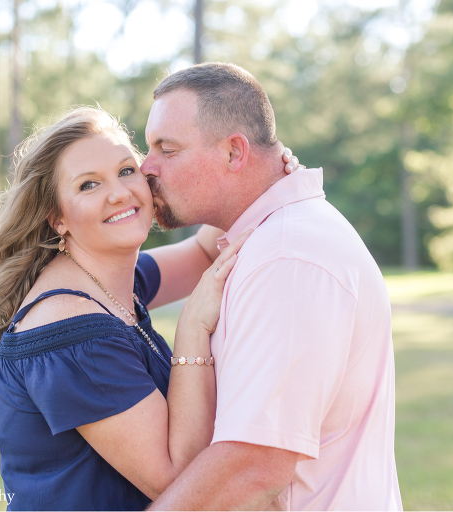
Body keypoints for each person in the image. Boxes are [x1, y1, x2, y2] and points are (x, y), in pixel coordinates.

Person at [0, 106, 301, 510]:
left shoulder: (113, 282)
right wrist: (192, 328)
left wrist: (259, 177)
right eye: (88, 185)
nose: (118, 193)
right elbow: (181, 479)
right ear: (57, 218)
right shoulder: (72, 327)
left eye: (125, 171)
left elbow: (207, 250)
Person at [142, 62, 402, 511]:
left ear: (234, 153)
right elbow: (140, 278)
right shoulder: (270, 235)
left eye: (167, 149)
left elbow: (253, 466)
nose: (145, 167)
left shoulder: (288, 258)